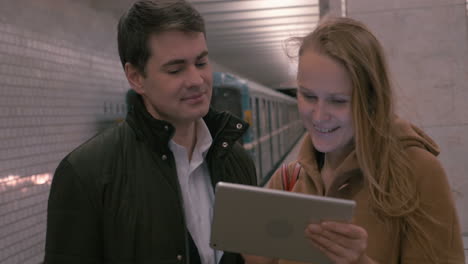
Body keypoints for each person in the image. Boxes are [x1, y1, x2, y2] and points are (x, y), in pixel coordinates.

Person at [44, 1, 257, 263]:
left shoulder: (238, 161)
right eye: (176, 69)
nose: (196, 80)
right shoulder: (87, 174)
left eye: (201, 63)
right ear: (136, 77)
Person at [251, 17, 465, 264]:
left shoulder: (418, 173)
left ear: (372, 101)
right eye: (308, 96)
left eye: (338, 101)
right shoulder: (287, 181)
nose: (319, 116)